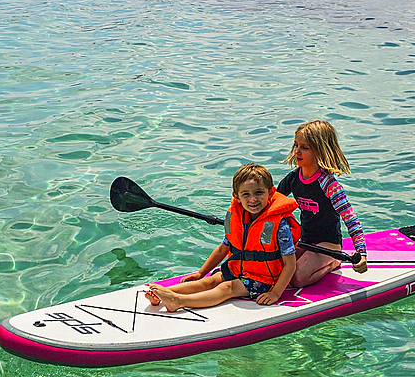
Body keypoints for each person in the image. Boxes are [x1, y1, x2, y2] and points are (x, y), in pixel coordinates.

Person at [145, 164, 300, 312]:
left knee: (227, 288)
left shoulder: (279, 224)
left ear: (270, 192)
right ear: (236, 196)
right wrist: (201, 273)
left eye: (259, 192)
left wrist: (276, 293)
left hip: (263, 280)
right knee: (208, 281)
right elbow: (222, 249)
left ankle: (178, 301)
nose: (253, 199)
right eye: (246, 194)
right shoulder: (235, 216)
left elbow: (290, 264)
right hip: (237, 269)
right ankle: (160, 293)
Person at [277, 120, 368, 287]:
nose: (297, 151)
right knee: (276, 267)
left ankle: (333, 261)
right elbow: (273, 203)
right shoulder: (293, 178)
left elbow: (351, 220)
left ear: (320, 151)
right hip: (304, 240)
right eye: (296, 145)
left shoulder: (329, 185)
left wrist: (361, 253)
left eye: (305, 147)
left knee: (297, 278)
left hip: (328, 244)